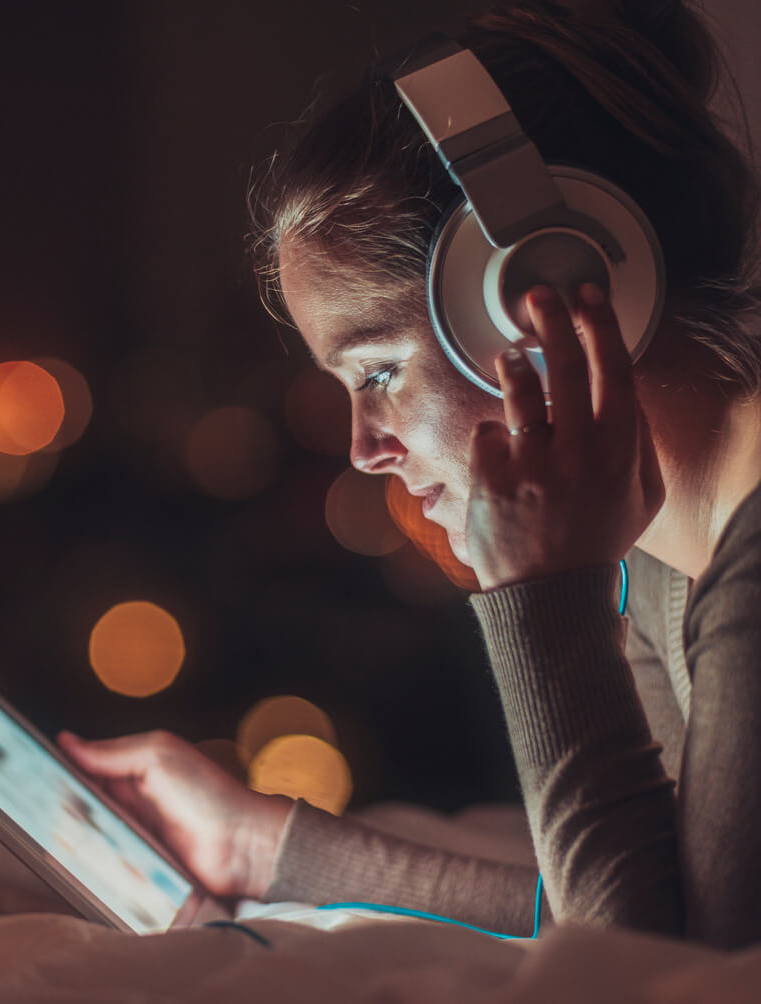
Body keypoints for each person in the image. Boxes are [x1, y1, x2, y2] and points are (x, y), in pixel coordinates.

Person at [58, 0, 761, 948]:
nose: (363, 446)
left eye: (378, 371)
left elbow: (638, 973)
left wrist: (545, 594)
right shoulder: (673, 543)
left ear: (537, 293)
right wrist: (267, 847)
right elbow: (633, 899)